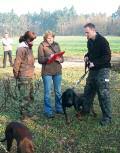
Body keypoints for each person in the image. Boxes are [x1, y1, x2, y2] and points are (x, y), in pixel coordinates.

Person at [83, 23, 112, 126]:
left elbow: (107, 56)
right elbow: (91, 52)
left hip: (103, 69)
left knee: (103, 94)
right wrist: (87, 56)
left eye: (87, 32)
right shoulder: (90, 41)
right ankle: (85, 110)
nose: (86, 34)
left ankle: (107, 117)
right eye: (85, 33)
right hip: (93, 70)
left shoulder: (102, 41)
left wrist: (94, 63)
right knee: (88, 90)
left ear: (93, 30)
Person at [38, 31, 64, 118]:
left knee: (58, 91)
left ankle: (59, 108)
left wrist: (60, 59)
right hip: (47, 72)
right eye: (48, 38)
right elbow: (40, 60)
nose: (50, 39)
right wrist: (48, 58)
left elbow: (62, 58)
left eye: (52, 38)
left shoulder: (57, 44)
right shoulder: (42, 46)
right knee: (47, 92)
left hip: (57, 71)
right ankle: (48, 111)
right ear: (45, 38)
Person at [13, 31, 37, 120]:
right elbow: (17, 63)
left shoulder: (29, 47)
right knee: (24, 97)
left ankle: (30, 114)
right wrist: (16, 76)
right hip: (23, 76)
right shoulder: (21, 49)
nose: (32, 41)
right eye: (31, 40)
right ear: (27, 39)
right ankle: (24, 116)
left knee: (31, 96)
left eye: (33, 40)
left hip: (30, 76)